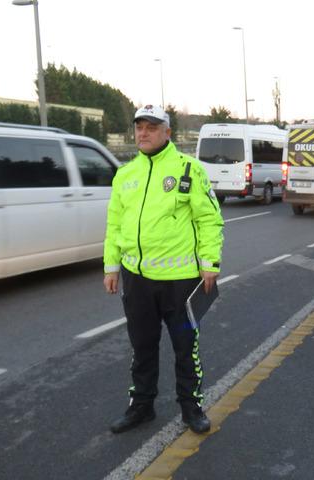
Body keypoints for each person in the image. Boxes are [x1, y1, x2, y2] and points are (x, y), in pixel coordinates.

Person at [103, 105, 224, 434]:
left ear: (167, 132)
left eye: (152, 127)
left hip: (180, 281)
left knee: (186, 348)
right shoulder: (125, 175)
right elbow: (115, 224)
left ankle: (191, 407)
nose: (143, 132)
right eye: (139, 127)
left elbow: (208, 218)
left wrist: (209, 263)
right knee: (142, 346)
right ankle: (141, 405)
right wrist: (111, 267)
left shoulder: (189, 169)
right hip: (137, 279)